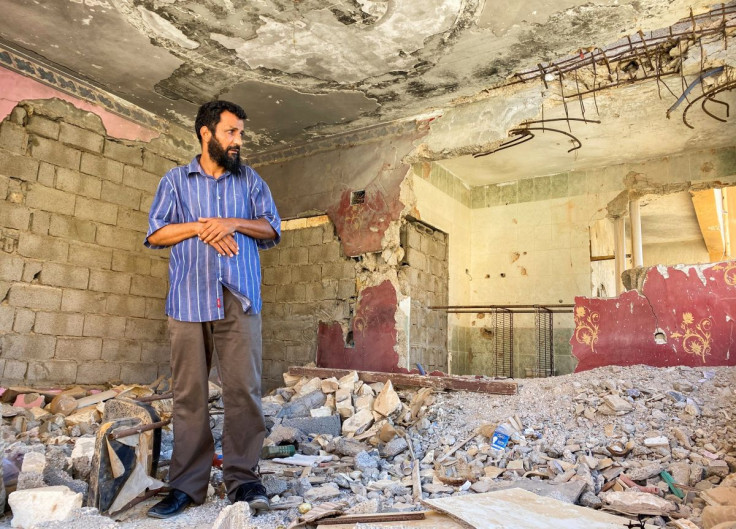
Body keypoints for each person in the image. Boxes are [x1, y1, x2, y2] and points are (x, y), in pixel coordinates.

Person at [144, 100, 281, 518]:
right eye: (231, 132)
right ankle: (186, 486)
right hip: (188, 300)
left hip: (239, 298)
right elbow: (157, 233)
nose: (239, 140)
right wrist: (205, 225)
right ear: (206, 133)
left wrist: (232, 223)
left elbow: (272, 227)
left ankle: (242, 479)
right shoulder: (175, 181)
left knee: (244, 391)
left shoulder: (251, 181)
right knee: (189, 396)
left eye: (240, 132)